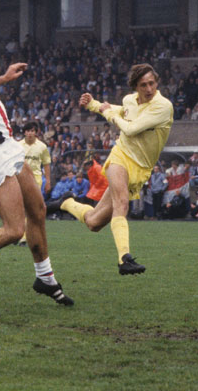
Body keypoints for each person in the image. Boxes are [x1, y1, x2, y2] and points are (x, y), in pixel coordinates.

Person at [0, 23, 72, 305]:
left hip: (10, 146)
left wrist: (4, 78)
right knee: (13, 230)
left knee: (38, 211)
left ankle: (45, 278)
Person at [50, 63, 173, 275]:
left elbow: (131, 127)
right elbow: (120, 112)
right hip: (121, 156)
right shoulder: (129, 100)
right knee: (122, 203)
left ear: (157, 82)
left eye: (152, 83)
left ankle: (66, 203)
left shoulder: (163, 106)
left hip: (141, 169)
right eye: (143, 85)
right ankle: (124, 259)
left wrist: (108, 113)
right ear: (136, 86)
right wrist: (93, 104)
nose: (149, 89)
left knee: (94, 222)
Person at [16, 120, 52, 246]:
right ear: (24, 132)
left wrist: (48, 181)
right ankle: (18, 233)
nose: (30, 133)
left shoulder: (42, 147)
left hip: (35, 179)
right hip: (19, 177)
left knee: (30, 207)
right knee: (19, 207)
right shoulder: (18, 145)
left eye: (32, 131)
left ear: (36, 133)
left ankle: (24, 237)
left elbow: (46, 164)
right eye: (27, 131)